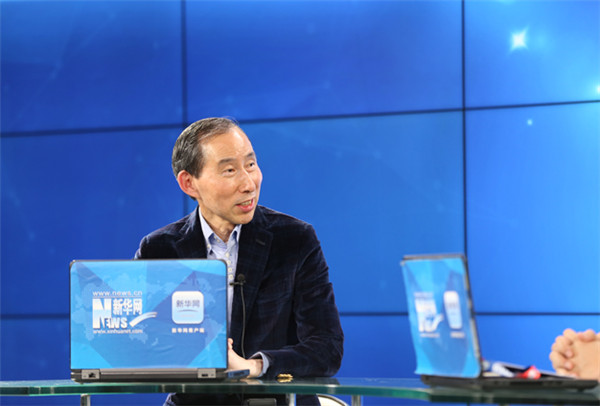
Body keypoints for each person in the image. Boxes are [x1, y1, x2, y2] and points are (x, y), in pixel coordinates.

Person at [135, 117, 344, 405]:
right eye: (230, 170)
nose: (248, 184)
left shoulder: (294, 239)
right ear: (189, 183)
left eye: (251, 164)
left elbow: (327, 348)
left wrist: (255, 366)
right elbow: (141, 344)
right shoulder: (160, 249)